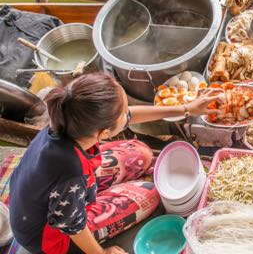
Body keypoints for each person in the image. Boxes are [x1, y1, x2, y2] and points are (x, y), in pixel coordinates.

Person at [9, 73, 221, 254]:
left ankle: (99, 194)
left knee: (141, 153)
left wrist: (186, 109)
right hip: (50, 235)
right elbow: (73, 226)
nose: (128, 114)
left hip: (56, 196)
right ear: (104, 132)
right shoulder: (71, 171)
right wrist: (101, 252)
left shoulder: (65, 121)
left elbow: (127, 116)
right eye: (123, 113)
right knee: (149, 193)